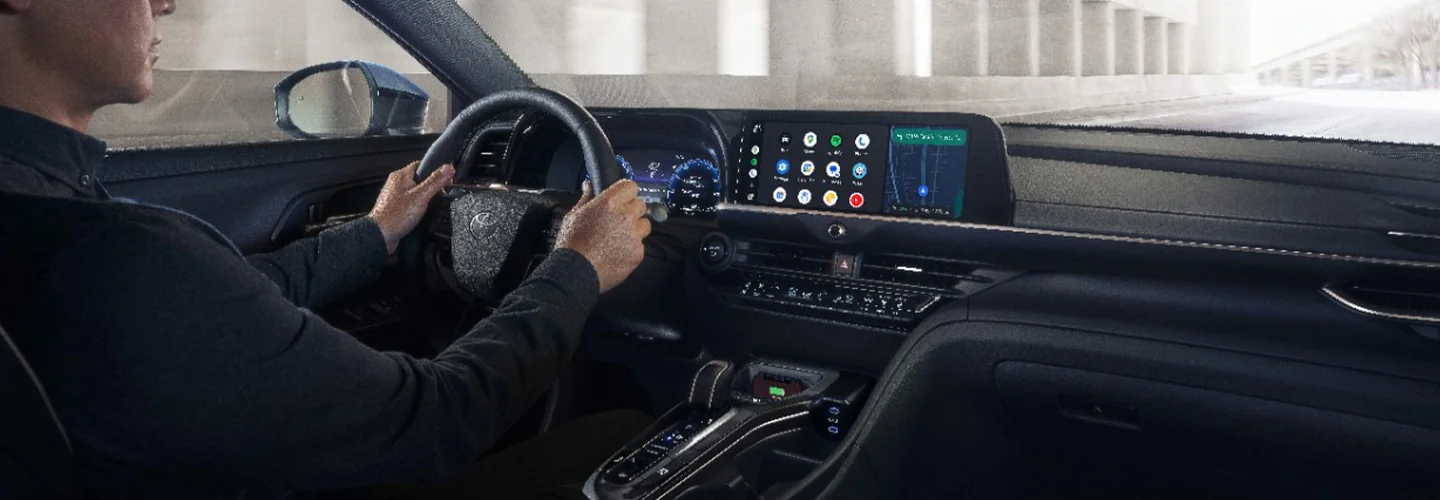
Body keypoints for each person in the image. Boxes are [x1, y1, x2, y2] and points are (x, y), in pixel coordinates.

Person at [0, 0, 653, 498]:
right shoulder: (107, 256)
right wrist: (578, 265)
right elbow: (436, 418)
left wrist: (375, 233)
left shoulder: (53, 217)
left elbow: (224, 301)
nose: (168, 1)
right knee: (630, 436)